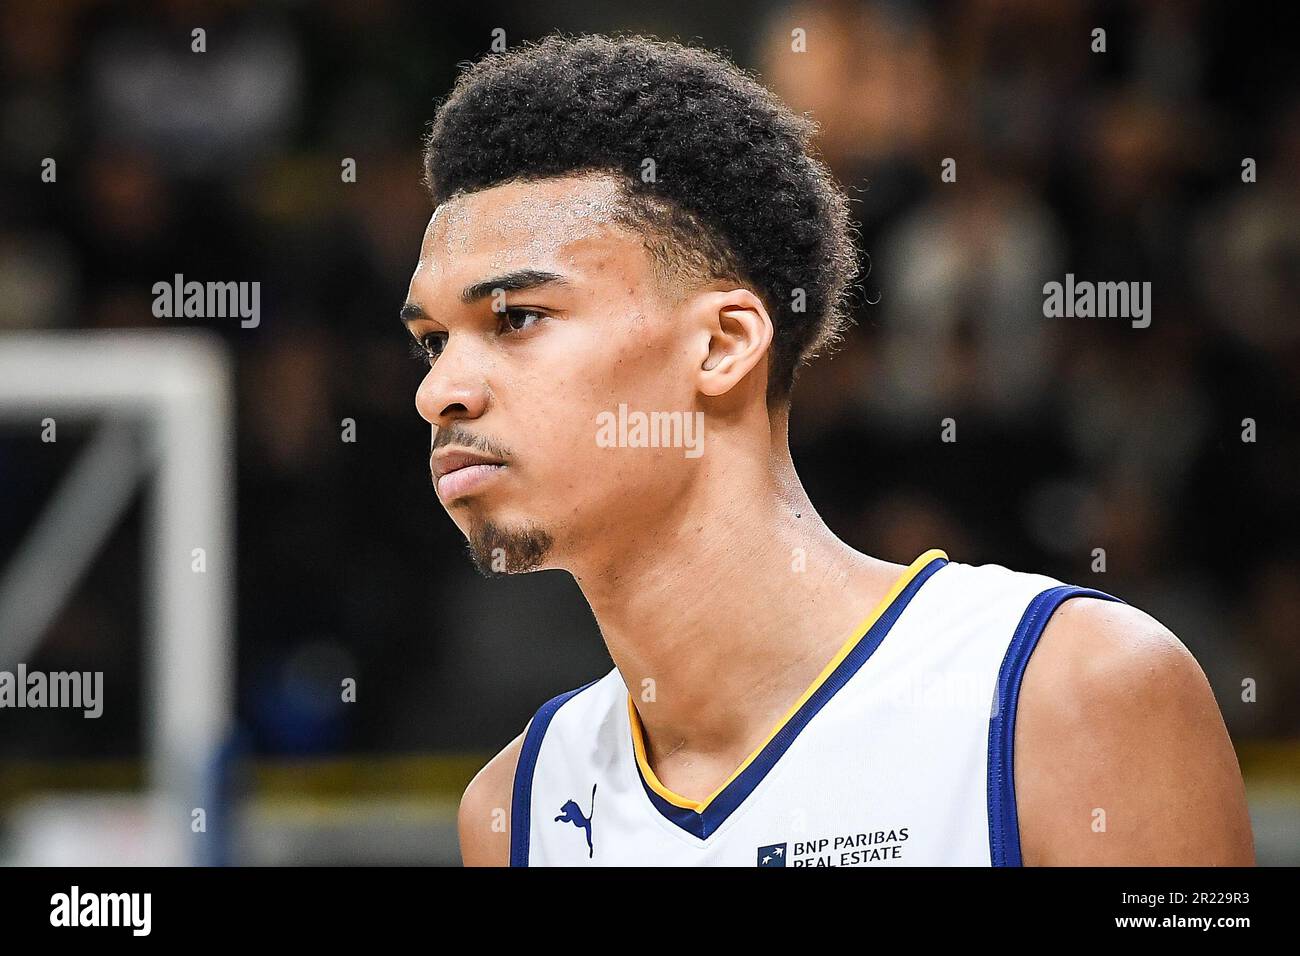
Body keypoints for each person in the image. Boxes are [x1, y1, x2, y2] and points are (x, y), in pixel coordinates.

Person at [400, 34, 1255, 866]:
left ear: (723, 344)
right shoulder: (516, 807)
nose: (439, 391)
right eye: (433, 340)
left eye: (515, 319)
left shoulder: (1070, 687)